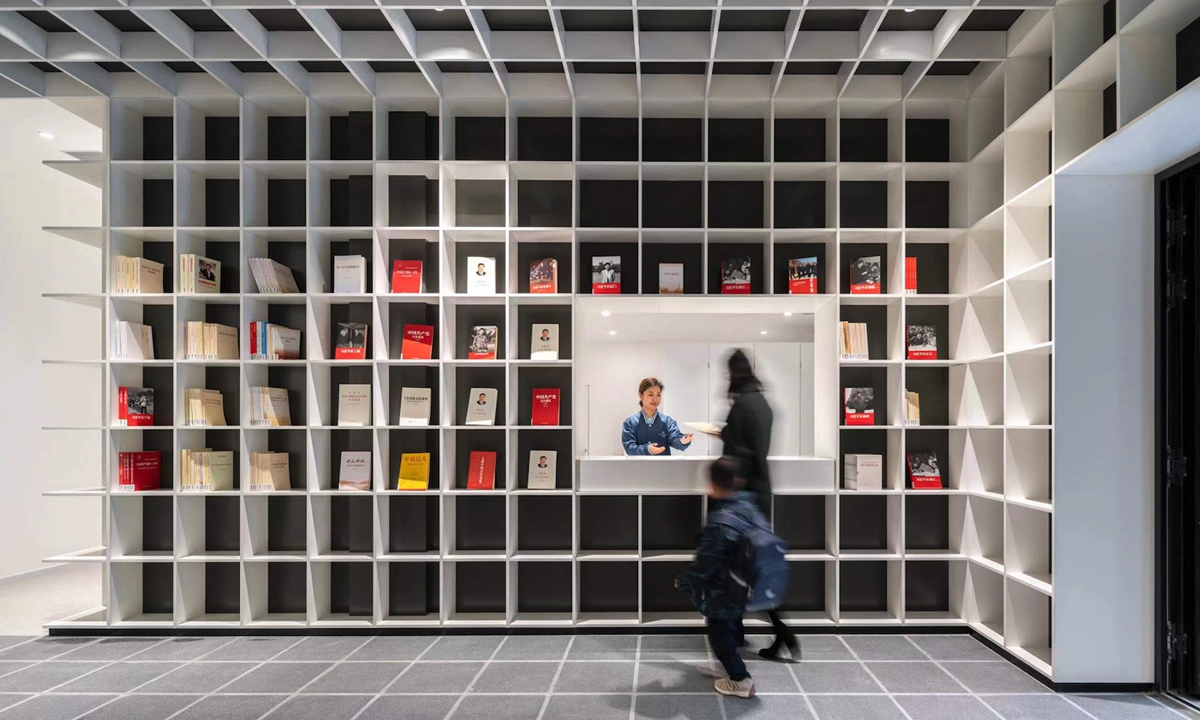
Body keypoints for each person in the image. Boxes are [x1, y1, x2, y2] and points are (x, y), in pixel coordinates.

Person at [721, 349, 800, 662]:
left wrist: (724, 432)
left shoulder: (741, 405)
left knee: (743, 568)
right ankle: (754, 631)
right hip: (762, 493)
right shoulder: (763, 403)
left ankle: (779, 632)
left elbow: (738, 455)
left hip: (744, 499)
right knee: (751, 567)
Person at [675, 456, 761, 698]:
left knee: (719, 635)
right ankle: (728, 665)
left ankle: (741, 680)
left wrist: (684, 580)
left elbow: (705, 563)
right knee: (732, 626)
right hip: (743, 583)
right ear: (737, 481)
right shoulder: (747, 508)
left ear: (712, 485)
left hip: (722, 589)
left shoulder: (720, 523)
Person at [621, 377, 693, 456]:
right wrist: (647, 449)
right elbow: (630, 448)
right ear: (641, 396)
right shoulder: (630, 422)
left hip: (662, 464)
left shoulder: (667, 421)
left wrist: (683, 441)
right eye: (650, 394)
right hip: (640, 464)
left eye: (658, 395)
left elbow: (675, 439)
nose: (655, 399)